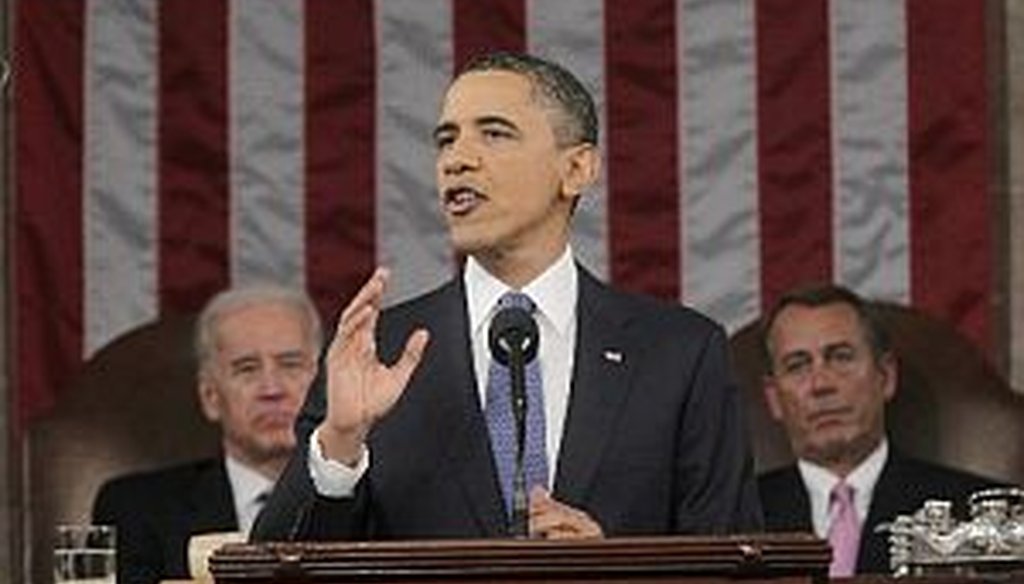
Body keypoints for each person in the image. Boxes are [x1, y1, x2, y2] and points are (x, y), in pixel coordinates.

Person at [252, 51, 762, 542]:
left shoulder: (680, 353)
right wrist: (341, 442)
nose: (457, 160)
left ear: (577, 169)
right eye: (446, 140)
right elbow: (277, 568)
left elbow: (735, 560)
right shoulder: (376, 351)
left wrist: (618, 570)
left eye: (494, 134)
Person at [756, 284, 1003, 575]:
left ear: (885, 377)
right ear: (773, 397)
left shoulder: (976, 517)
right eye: (797, 365)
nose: (821, 384)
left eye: (841, 357)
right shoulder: (733, 517)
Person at [92, 285, 322, 584]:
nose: (272, 389)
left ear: (323, 385)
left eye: (291, 365)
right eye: (247, 369)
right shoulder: (137, 509)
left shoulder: (375, 503)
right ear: (211, 397)